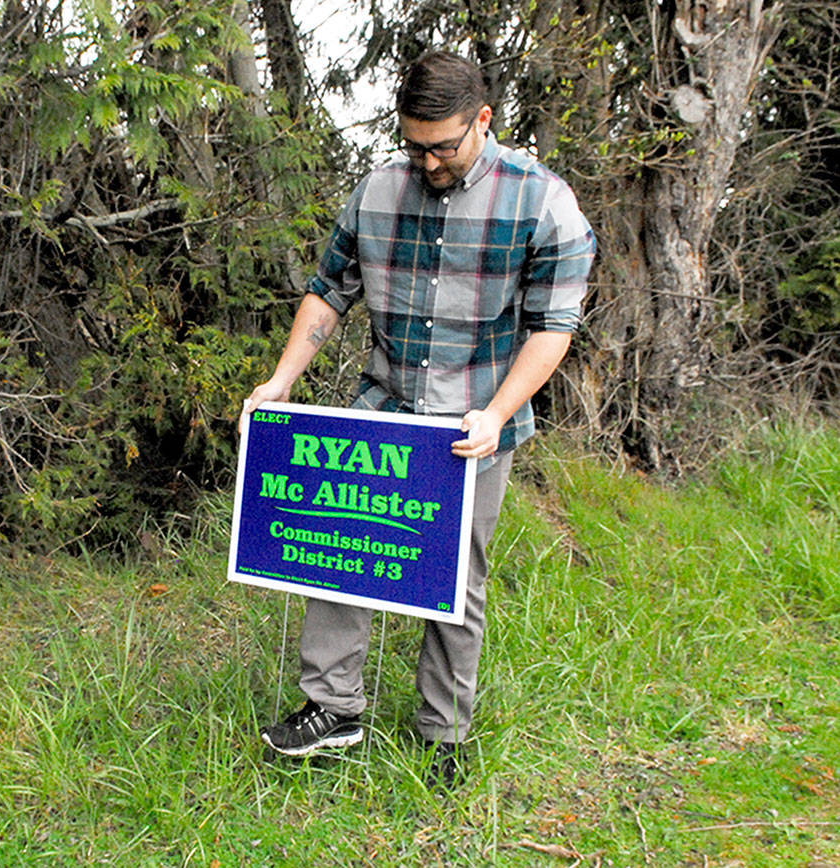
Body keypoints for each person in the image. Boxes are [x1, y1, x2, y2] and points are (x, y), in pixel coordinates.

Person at [241, 50, 595, 785]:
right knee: (340, 551)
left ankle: (444, 735)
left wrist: (498, 413)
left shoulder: (542, 202)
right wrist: (280, 380)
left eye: (444, 145)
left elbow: (553, 327)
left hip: (475, 424)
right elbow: (327, 292)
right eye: (415, 145)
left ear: (484, 120)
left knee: (455, 580)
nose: (429, 161)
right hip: (384, 411)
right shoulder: (376, 191)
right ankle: (332, 709)